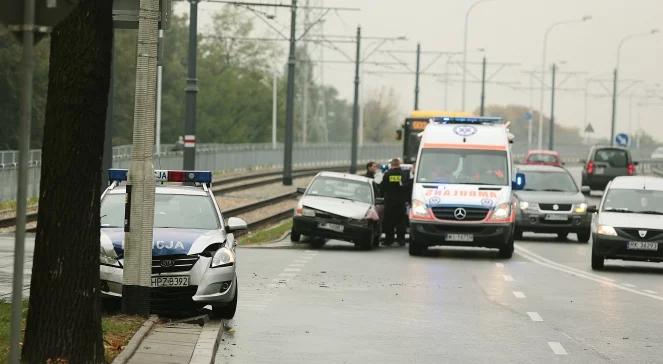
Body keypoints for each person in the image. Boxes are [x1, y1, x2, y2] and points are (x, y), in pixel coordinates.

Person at [380, 158, 409, 246]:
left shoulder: (387, 174)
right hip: (401, 202)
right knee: (401, 221)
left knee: (389, 221)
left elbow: (382, 187)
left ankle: (389, 240)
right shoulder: (404, 174)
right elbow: (407, 187)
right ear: (399, 164)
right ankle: (401, 240)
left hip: (390, 202)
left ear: (392, 165)